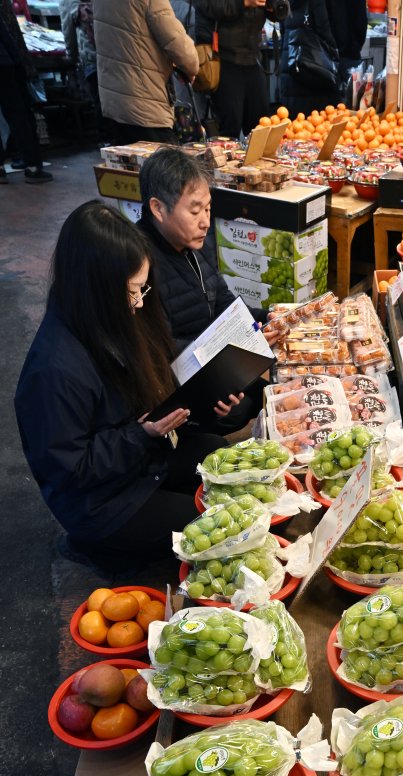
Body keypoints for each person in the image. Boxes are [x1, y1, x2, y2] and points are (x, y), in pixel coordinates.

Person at [15, 202, 242, 564]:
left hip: (143, 459)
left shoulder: (116, 316)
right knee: (212, 528)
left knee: (219, 455)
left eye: (143, 289)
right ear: (95, 289)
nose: (138, 303)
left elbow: (158, 382)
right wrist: (142, 434)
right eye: (131, 292)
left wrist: (207, 398)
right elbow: (70, 469)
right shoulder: (53, 370)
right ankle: (95, 548)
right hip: (102, 500)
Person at [137, 147, 259, 429]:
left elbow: (224, 302)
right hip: (179, 383)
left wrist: (264, 320)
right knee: (243, 407)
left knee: (265, 389)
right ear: (158, 209)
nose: (205, 221)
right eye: (195, 210)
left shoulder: (193, 241)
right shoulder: (139, 265)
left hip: (211, 361)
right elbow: (160, 351)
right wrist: (220, 373)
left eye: (208, 208)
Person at [92, 0, 199, 143]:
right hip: (145, 100)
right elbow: (177, 43)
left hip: (114, 101)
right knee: (164, 163)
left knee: (126, 161)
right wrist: (191, 67)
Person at [194, 0, 270, 138]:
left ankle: (258, 159)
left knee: (260, 129)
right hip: (224, 60)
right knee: (228, 130)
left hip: (254, 59)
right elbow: (209, 6)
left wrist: (273, 7)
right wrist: (244, 3)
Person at [0, 0, 52, 183]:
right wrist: (21, 64)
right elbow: (7, 36)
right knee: (18, 116)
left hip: (5, 64)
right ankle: (32, 166)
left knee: (16, 117)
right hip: (5, 66)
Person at [279, 0, 339, 117]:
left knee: (294, 127)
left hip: (290, 67)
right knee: (315, 128)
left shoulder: (284, 3)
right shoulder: (317, 2)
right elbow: (325, 32)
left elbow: (283, 32)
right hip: (312, 69)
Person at [58, 0, 102, 132]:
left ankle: (107, 141)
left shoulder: (67, 2)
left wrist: (71, 57)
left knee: (100, 102)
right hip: (115, 54)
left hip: (92, 58)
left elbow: (68, 31)